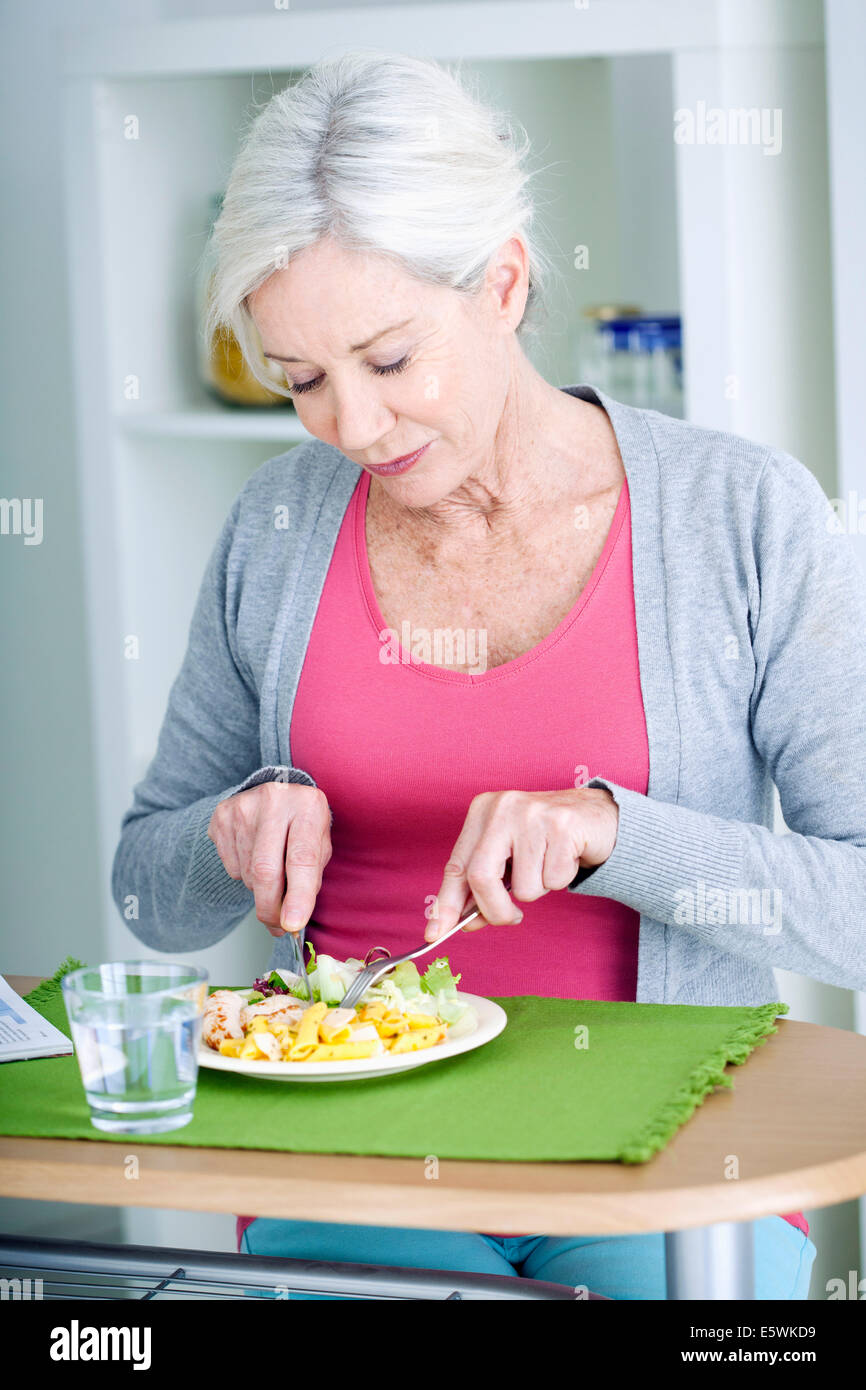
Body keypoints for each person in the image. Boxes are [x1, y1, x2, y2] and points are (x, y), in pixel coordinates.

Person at [112, 49, 866, 1299]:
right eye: (301, 379)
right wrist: (223, 834)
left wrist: (616, 831)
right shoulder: (279, 528)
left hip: (671, 1153)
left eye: (389, 360)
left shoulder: (742, 516)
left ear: (503, 281)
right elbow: (150, 893)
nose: (350, 426)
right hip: (347, 1154)